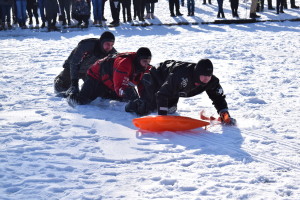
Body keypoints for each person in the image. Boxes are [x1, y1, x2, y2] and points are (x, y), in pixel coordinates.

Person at [125, 59, 236, 126]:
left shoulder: (212, 81)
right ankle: (132, 105)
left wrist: (224, 115)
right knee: (151, 106)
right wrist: (163, 118)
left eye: (209, 76)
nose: (206, 79)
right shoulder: (181, 77)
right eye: (204, 76)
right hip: (156, 76)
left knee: (171, 109)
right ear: (197, 74)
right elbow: (162, 94)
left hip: (174, 87)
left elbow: (218, 98)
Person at [66, 47, 152, 107]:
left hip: (110, 81)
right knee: (82, 101)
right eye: (144, 61)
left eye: (148, 61)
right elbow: (119, 87)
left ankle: (103, 92)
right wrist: (132, 97)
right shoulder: (124, 63)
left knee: (122, 98)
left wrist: (144, 99)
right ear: (138, 59)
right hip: (96, 76)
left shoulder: (144, 66)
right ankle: (70, 93)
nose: (147, 63)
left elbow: (142, 84)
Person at [54, 31, 117, 95]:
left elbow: (118, 63)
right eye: (107, 44)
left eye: (112, 45)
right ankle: (59, 79)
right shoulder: (86, 45)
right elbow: (74, 63)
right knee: (62, 88)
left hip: (88, 72)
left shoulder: (111, 51)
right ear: (101, 42)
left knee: (94, 90)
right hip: (71, 68)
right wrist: (74, 83)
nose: (109, 47)